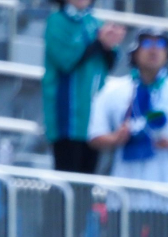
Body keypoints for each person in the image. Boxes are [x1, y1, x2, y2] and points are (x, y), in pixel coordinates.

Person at [89, 32, 168, 186]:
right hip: (121, 189)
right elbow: (94, 136)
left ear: (167, 53)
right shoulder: (113, 90)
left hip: (165, 191)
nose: (153, 50)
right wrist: (116, 138)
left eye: (160, 44)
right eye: (146, 44)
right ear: (134, 52)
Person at [44, 0, 126, 174]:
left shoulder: (94, 22)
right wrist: (98, 42)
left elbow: (109, 63)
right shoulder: (57, 21)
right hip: (66, 117)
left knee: (87, 181)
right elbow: (65, 61)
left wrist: (109, 43)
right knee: (67, 176)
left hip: (92, 114)